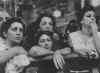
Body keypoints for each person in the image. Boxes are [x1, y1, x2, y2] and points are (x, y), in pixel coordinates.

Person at [69, 6, 100, 73]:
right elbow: (81, 52)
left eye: (94, 16)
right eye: (88, 16)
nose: (92, 18)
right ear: (81, 20)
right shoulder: (73, 36)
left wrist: (95, 32)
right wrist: (93, 53)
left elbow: (97, 54)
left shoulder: (98, 35)